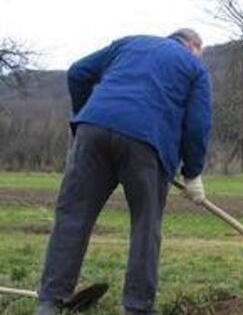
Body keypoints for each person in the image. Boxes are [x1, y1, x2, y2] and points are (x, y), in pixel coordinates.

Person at [36, 29, 212, 315]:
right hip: (147, 143)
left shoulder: (130, 43)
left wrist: (90, 118)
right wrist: (193, 173)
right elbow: (197, 125)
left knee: (72, 217)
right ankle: (137, 307)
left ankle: (49, 301)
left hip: (92, 131)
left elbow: (78, 72)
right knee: (146, 225)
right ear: (194, 46)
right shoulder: (195, 67)